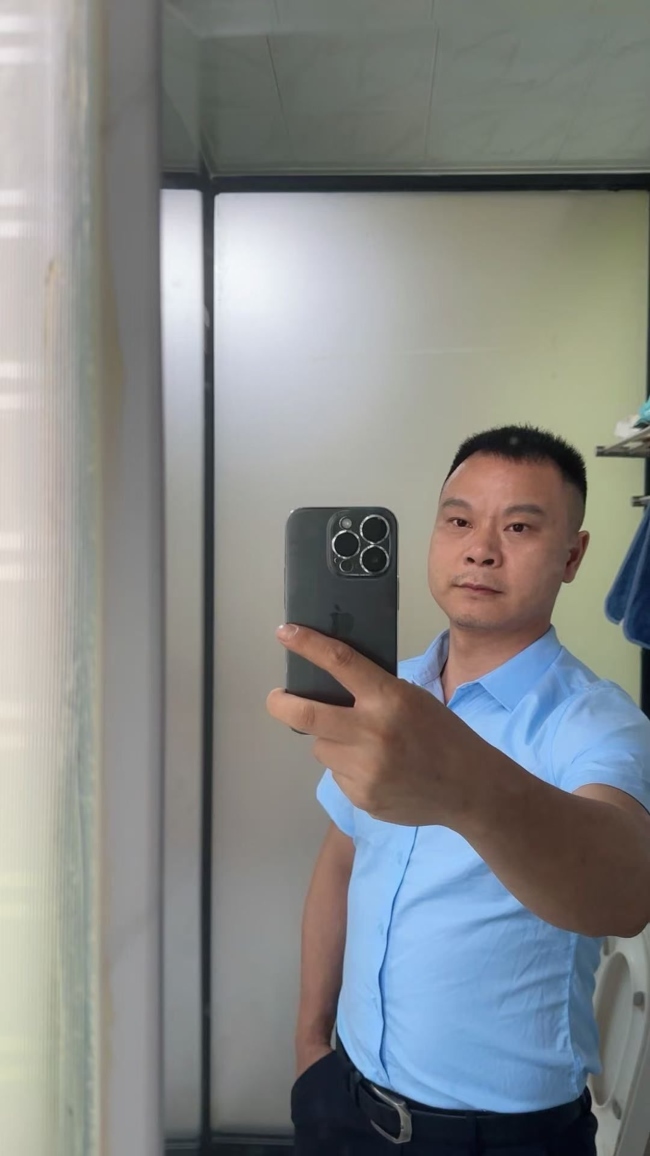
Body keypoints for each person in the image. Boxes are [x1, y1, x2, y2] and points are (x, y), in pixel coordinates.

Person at [267, 424, 650, 1156]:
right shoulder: (389, 693)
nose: (481, 549)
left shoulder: (597, 722)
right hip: (343, 1098)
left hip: (502, 1140)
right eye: (459, 521)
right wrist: (310, 1044)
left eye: (520, 527)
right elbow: (342, 859)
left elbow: (626, 892)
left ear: (572, 557)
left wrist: (464, 789)